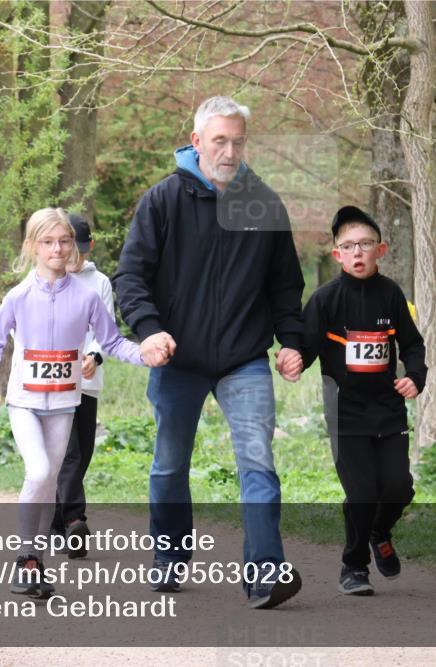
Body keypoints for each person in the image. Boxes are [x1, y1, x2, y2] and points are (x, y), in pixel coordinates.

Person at [113, 96, 306, 609]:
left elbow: (285, 287)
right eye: (219, 140)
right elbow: (130, 276)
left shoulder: (264, 204)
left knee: (258, 461)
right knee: (169, 465)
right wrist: (149, 330)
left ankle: (265, 573)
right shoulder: (162, 200)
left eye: (238, 142)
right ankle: (169, 556)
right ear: (197, 141)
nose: (229, 151)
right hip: (178, 358)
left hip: (245, 359)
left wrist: (292, 342)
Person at [0, 207, 152, 598]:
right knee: (39, 472)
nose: (57, 249)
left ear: (73, 245)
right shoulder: (19, 296)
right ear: (32, 246)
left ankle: (34, 564)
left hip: (64, 405)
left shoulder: (87, 296)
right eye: (48, 242)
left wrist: (145, 354)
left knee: (48, 484)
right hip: (24, 403)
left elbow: (112, 342)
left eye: (63, 241)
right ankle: (25, 557)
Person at [298, 205, 427, 596]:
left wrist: (415, 377)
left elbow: (413, 345)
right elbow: (304, 348)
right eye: (349, 246)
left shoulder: (391, 295)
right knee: (362, 493)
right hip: (346, 414)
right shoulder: (325, 300)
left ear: (380, 250)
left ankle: (379, 531)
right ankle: (353, 566)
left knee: (400, 488)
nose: (358, 252)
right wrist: (292, 359)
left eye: (366, 244)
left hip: (387, 411)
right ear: (337, 254)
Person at [51, 213, 113, 558]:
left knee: (82, 453)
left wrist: (95, 356)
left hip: (87, 382)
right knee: (69, 453)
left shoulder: (99, 282)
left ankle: (54, 525)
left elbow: (106, 329)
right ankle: (75, 520)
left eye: (82, 251)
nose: (77, 257)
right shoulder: (45, 278)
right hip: (52, 382)